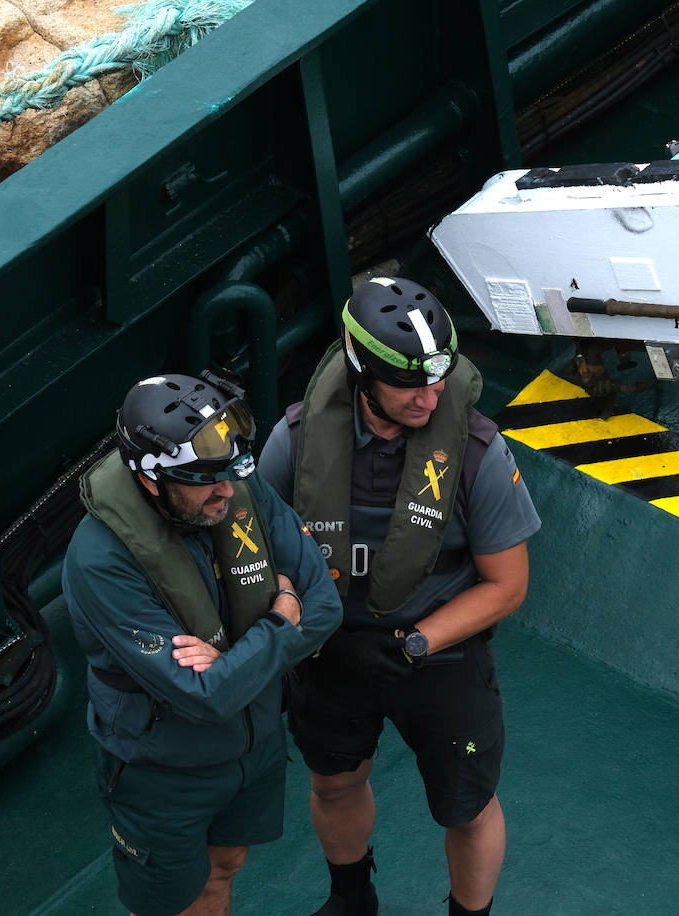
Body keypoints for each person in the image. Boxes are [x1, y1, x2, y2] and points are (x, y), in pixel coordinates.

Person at [257, 277, 541, 916]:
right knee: (333, 784)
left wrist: (415, 643)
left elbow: (508, 586)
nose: (432, 395)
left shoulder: (476, 454)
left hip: (436, 655)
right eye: (412, 383)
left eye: (439, 378)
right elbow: (264, 552)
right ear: (361, 374)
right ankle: (352, 898)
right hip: (329, 655)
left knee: (467, 808)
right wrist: (300, 629)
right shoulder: (297, 443)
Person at [63, 370, 343, 916]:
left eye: (232, 472)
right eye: (203, 480)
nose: (226, 491)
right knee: (171, 904)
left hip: (255, 746)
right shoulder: (100, 563)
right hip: (163, 772)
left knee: (226, 865)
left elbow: (326, 605)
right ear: (150, 480)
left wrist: (233, 661)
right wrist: (281, 622)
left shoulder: (231, 480)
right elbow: (204, 696)